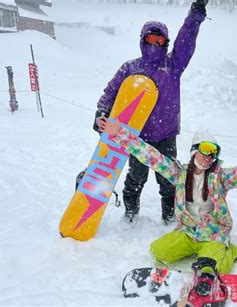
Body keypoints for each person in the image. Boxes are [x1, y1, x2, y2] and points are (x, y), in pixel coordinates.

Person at [98, 117, 237, 279]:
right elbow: (150, 156)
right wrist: (120, 134)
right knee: (158, 252)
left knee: (214, 268)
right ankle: (201, 252)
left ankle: (228, 250)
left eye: (213, 152)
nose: (209, 156)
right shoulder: (179, 173)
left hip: (213, 233)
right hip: (188, 232)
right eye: (205, 150)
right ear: (194, 151)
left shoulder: (221, 177)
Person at [93, 0, 209, 225]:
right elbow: (111, 91)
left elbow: (185, 42)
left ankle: (169, 213)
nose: (156, 44)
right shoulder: (130, 68)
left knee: (168, 178)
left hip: (166, 134)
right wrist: (102, 111)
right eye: (151, 39)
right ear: (143, 40)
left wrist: (195, 15)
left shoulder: (173, 66)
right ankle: (130, 211)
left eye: (161, 40)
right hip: (137, 136)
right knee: (136, 177)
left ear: (166, 43)